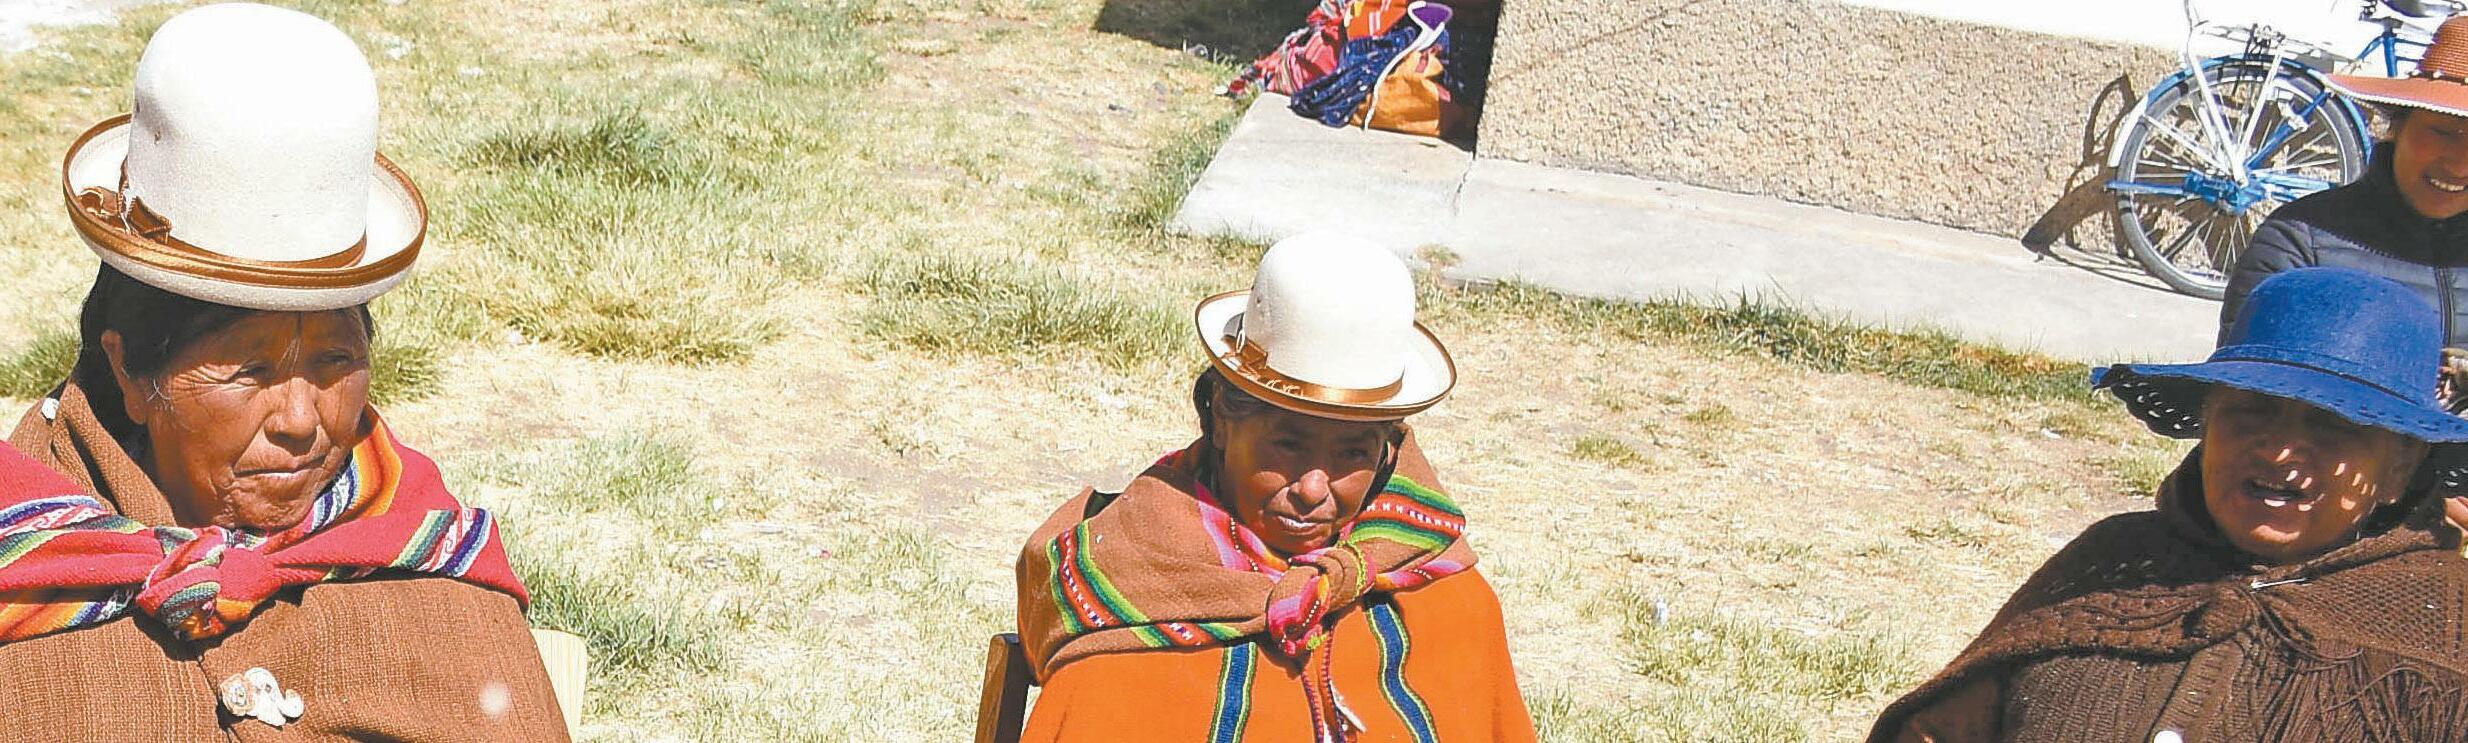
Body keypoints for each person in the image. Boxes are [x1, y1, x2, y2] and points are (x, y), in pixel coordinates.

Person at [0, 5, 568, 739]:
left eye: (336, 360)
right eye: (249, 369)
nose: (302, 420)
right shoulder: (27, 571)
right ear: (132, 371)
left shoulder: (422, 562)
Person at [1869, 267, 2468, 742]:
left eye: (2333, 424)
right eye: (2250, 410)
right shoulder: (2113, 560)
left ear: (2400, 466)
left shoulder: (2447, 625)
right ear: (2207, 423)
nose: (2279, 449)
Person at [1012, 233, 1536, 741]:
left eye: (1352, 453)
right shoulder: (1130, 596)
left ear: (1387, 451)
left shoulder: (1447, 603)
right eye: (1287, 444)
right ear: (1221, 421)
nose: (1312, 488)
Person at [2230, 16, 2468, 345]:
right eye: (2443, 132)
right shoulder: (2299, 243)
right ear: (2395, 128)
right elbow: (2247, 375)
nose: (2460, 166)